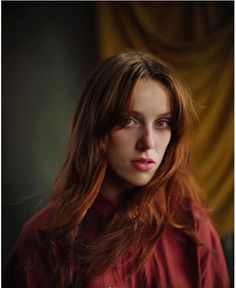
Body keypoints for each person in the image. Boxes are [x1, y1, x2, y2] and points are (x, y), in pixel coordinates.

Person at [3, 50, 229, 288]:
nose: (148, 142)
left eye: (162, 123)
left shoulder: (192, 227)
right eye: (129, 120)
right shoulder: (44, 239)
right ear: (97, 126)